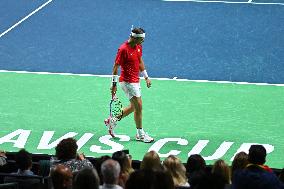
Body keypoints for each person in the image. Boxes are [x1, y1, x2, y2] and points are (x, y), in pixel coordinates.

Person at [104, 27, 154, 143]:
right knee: (139, 107)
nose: (143, 41)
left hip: (135, 80)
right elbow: (116, 67)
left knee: (133, 107)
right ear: (135, 38)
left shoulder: (138, 47)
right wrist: (114, 84)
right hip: (127, 82)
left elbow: (139, 60)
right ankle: (140, 134)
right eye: (141, 39)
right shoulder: (123, 49)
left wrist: (146, 76)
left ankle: (112, 120)